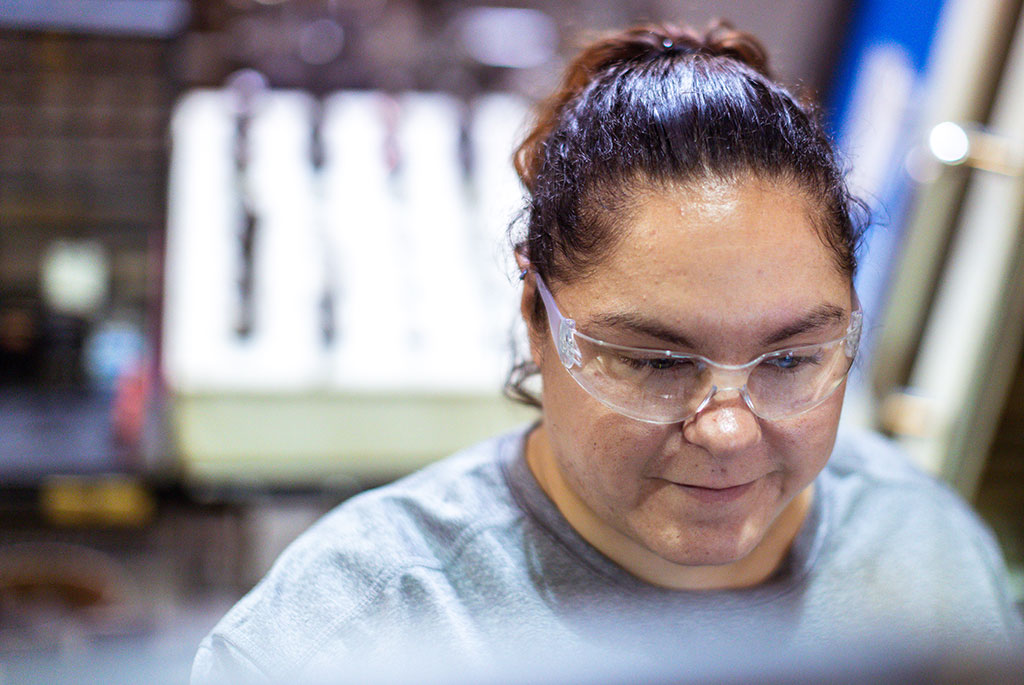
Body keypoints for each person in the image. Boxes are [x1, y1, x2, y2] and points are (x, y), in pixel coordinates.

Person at [192, 21, 1023, 683]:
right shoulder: (354, 632)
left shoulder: (926, 557)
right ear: (536, 319)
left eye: (788, 361)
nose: (729, 431)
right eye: (659, 363)